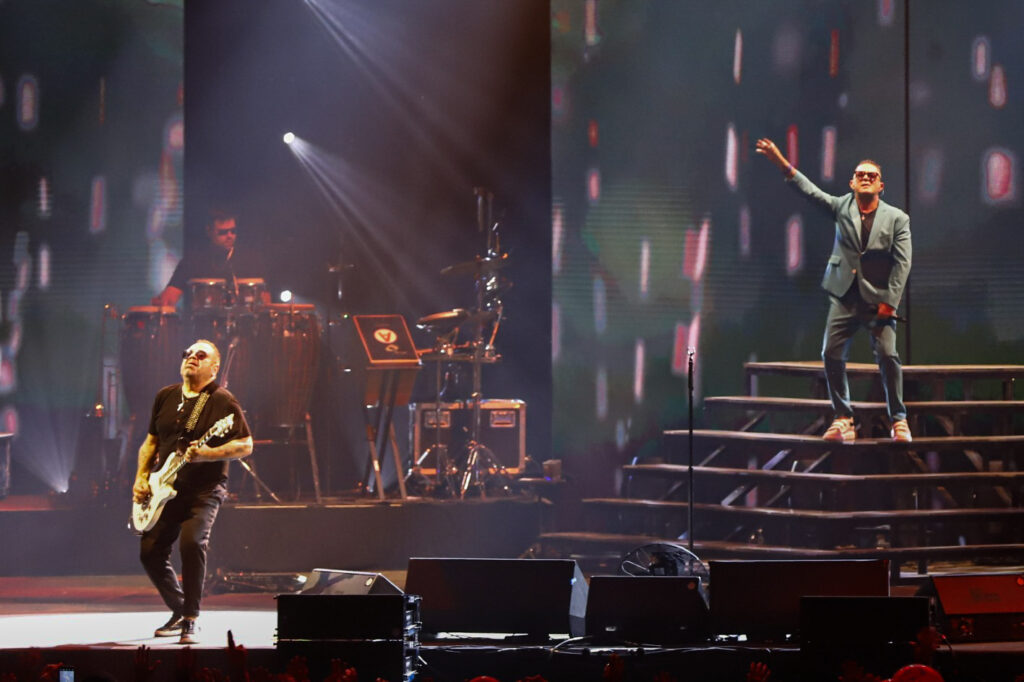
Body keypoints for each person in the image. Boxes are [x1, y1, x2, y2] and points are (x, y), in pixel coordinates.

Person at [755, 137, 912, 443]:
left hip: (879, 300)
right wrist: (781, 162)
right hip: (844, 296)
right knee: (830, 353)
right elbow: (810, 191)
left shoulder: (897, 219)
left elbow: (902, 263)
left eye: (872, 175)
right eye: (861, 174)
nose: (866, 178)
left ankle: (899, 420)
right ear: (853, 182)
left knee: (888, 355)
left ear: (881, 185)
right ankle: (843, 418)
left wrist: (891, 302)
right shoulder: (842, 206)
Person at [133, 338, 253, 644]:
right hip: (166, 487)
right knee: (149, 551)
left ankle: (190, 619)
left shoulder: (222, 400)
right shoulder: (165, 396)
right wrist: (141, 478)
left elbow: (245, 444)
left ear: (214, 367)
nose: (191, 358)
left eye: (201, 355)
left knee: (192, 543)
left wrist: (207, 455)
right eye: (187, 353)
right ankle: (179, 609)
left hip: (204, 489)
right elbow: (150, 443)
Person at [151, 208, 269, 309]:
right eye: (223, 232)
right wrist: (163, 303)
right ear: (209, 231)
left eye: (233, 231)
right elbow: (171, 296)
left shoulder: (250, 259)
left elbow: (265, 300)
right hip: (203, 329)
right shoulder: (193, 260)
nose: (230, 236)